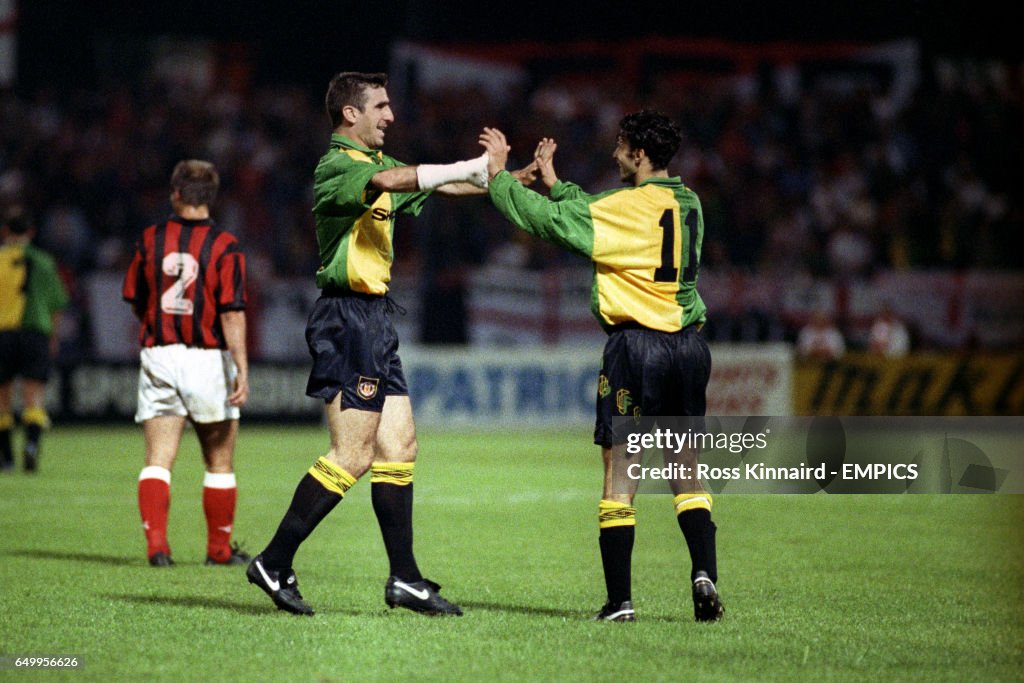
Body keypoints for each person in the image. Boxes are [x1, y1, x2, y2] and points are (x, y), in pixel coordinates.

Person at [245, 71, 536, 617]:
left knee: (399, 448)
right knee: (351, 456)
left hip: (375, 319)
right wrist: (475, 165)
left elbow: (433, 185)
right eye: (380, 106)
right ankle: (273, 560)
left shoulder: (380, 170)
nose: (391, 115)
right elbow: (402, 180)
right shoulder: (338, 166)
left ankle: (405, 579)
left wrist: (506, 177)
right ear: (349, 114)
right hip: (347, 319)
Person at [479, 112, 724, 623]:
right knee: (686, 471)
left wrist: (500, 177)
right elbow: (597, 212)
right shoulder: (689, 203)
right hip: (688, 347)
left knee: (621, 476)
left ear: (638, 154)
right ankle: (704, 573)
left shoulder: (623, 205)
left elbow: (549, 223)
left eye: (619, 146)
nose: (614, 154)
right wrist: (558, 184)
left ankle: (620, 602)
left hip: (636, 348)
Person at [122, 160, 251, 568]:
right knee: (218, 460)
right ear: (210, 198)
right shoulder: (225, 245)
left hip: (160, 354)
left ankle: (157, 548)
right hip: (206, 359)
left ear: (175, 194)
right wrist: (242, 366)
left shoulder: (149, 239)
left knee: (158, 458)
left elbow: (135, 298)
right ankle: (218, 550)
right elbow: (232, 312)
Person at [0, 207, 69, 473]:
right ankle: (30, 447)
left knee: (2, 399)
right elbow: (58, 304)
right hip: (35, 334)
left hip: (3, 333)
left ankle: (6, 457)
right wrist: (53, 337)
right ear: (31, 232)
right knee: (34, 397)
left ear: (5, 231)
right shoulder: (43, 261)